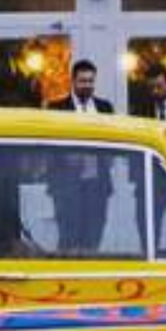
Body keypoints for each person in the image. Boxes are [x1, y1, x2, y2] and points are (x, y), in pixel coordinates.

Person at [44, 59, 114, 251]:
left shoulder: (105, 108)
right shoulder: (57, 108)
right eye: (83, 81)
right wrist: (66, 155)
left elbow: (111, 142)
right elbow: (49, 145)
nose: (87, 85)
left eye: (91, 81)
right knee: (69, 237)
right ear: (73, 81)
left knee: (94, 235)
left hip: (97, 185)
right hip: (66, 186)